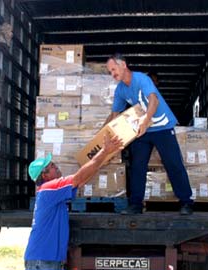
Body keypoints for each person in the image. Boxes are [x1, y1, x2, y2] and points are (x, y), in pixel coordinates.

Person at [104, 53, 193, 215]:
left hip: (162, 126)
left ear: (123, 64)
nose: (112, 74)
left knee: (173, 163)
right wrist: (105, 134)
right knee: (137, 166)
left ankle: (186, 202)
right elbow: (115, 114)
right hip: (141, 131)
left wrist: (145, 120)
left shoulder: (141, 79)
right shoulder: (120, 89)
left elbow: (154, 100)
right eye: (110, 72)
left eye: (113, 69)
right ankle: (136, 204)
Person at [24, 133, 124, 270]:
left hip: (45, 259)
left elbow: (81, 181)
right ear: (44, 175)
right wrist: (104, 151)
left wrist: (102, 159)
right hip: (42, 261)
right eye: (52, 166)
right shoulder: (49, 188)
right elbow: (79, 177)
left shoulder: (50, 192)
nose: (56, 167)